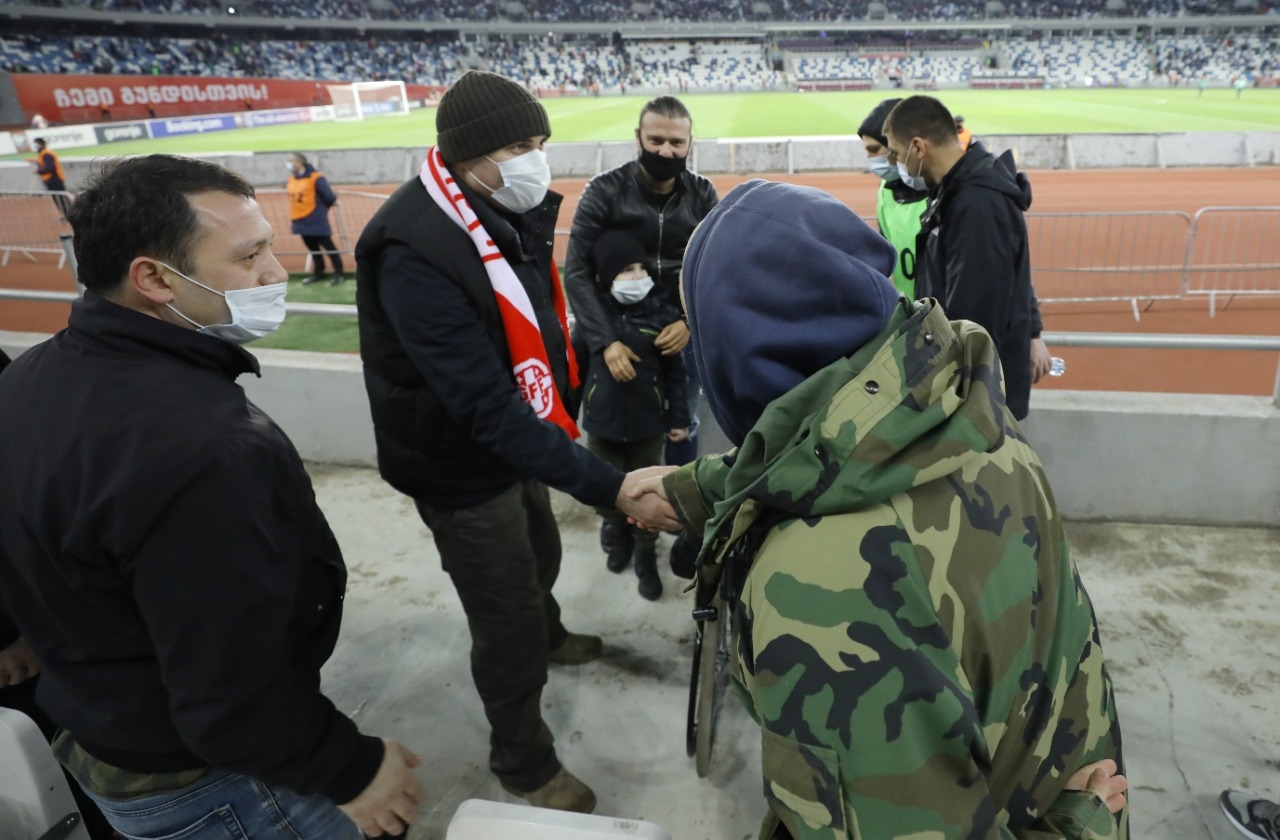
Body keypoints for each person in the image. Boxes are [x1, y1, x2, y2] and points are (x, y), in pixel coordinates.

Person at [638, 179, 1129, 840]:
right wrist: (697, 490)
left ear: (739, 353)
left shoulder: (817, 583)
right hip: (1047, 764)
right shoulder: (964, 409)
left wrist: (1084, 827)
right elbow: (836, 446)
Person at [0, 154, 423, 840]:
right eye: (250, 256)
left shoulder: (30, 378)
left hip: (103, 727)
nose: (276, 273)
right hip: (209, 781)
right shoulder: (203, 450)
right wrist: (349, 768)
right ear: (154, 279)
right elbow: (229, 693)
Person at [354, 70, 677, 815]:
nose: (538, 159)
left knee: (541, 551)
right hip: (459, 464)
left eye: (541, 141)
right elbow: (483, 406)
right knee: (505, 618)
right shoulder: (412, 247)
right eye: (521, 145)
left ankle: (550, 632)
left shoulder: (495, 207)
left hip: (519, 439)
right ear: (469, 153)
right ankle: (524, 763)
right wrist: (611, 487)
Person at [564, 95, 718, 469]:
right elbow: (577, 272)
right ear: (638, 138)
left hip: (678, 332)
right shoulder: (604, 191)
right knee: (611, 419)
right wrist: (605, 340)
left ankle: (679, 497)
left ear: (690, 143)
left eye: (676, 142)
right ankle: (616, 499)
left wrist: (688, 321)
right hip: (617, 329)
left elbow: (717, 267)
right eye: (656, 140)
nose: (666, 151)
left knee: (685, 423)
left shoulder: (703, 194)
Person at [859, 98, 1052, 390]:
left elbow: (977, 315)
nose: (894, 163)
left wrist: (957, 387)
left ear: (918, 147)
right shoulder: (952, 194)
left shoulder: (977, 204)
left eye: (895, 153)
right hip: (951, 364)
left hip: (974, 384)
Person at [580, 230, 690, 601]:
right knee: (604, 489)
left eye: (641, 268)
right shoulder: (594, 319)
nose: (638, 277)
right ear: (606, 277)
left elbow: (676, 376)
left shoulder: (662, 316)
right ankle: (616, 531)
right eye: (627, 270)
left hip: (647, 427)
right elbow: (577, 369)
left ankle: (645, 552)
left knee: (646, 492)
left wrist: (678, 419)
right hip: (602, 427)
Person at [859, 97, 927, 298]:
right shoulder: (885, 190)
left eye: (875, 150)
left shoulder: (947, 193)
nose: (870, 159)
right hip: (912, 310)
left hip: (944, 313)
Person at [286, 152, 346, 285]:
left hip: (316, 219)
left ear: (299, 162)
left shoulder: (316, 177)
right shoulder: (292, 178)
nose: (289, 164)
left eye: (291, 161)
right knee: (313, 248)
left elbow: (329, 197)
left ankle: (339, 272)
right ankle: (319, 271)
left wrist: (320, 210)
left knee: (328, 246)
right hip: (299, 219)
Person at [29, 137, 71, 220]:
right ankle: (67, 214)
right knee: (58, 198)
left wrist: (39, 171)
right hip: (50, 180)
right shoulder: (43, 154)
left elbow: (50, 167)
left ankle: (69, 214)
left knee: (61, 199)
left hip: (54, 180)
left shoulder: (47, 154)